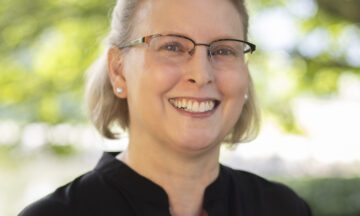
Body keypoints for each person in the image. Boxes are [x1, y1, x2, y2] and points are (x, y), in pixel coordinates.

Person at [20, 0, 312, 215]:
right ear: (118, 71)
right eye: (172, 46)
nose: (201, 73)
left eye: (223, 50)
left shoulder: (284, 208)